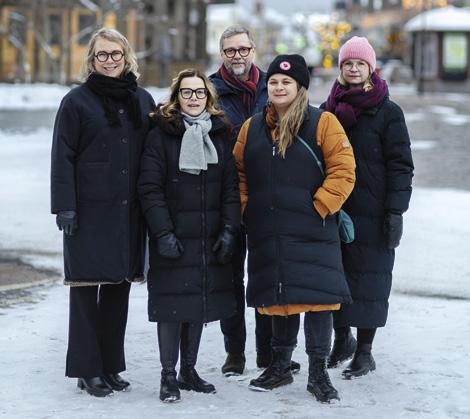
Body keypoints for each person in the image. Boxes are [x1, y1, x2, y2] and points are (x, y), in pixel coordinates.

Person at [233, 54, 356, 402]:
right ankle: (280, 366)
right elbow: (238, 173)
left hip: (313, 228)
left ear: (299, 87)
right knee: (279, 298)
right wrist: (247, 208)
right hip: (268, 229)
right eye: (273, 81)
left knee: (318, 300)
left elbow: (344, 170)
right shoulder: (251, 128)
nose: (279, 87)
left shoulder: (323, 122)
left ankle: (318, 372)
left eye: (286, 82)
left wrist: (320, 206)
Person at [50, 28, 155, 397]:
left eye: (115, 54)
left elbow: (154, 150)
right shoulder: (76, 101)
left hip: (129, 212)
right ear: (91, 60)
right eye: (102, 55)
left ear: (126, 57)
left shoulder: (142, 99)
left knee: (117, 290)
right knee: (84, 290)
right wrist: (64, 206)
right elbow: (62, 156)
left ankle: (110, 365)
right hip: (88, 212)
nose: (109, 60)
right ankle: (86, 369)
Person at [137, 69, 240, 402]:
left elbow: (230, 188)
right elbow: (149, 188)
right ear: (176, 97)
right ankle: (168, 375)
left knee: (198, 302)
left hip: (209, 236)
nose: (193, 98)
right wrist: (163, 232)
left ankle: (189, 371)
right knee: (171, 306)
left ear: (208, 97)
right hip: (174, 236)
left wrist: (229, 229)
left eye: (199, 92)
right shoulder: (161, 134)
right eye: (186, 92)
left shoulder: (221, 134)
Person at [210, 25, 299, 376]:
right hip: (226, 196)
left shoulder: (271, 86)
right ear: (222, 53)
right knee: (230, 277)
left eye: (243, 49)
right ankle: (234, 352)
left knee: (266, 275)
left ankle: (267, 352)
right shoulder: (210, 91)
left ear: (253, 49)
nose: (237, 56)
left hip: (266, 196)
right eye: (230, 50)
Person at [323, 36, 414, 378]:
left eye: (360, 63)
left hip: (374, 212)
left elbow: (401, 165)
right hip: (336, 208)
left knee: (370, 282)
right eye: (348, 63)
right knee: (335, 278)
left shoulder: (388, 112)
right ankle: (342, 340)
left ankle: (364, 351)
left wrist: (395, 211)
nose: (353, 68)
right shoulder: (329, 108)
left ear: (371, 68)